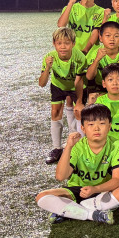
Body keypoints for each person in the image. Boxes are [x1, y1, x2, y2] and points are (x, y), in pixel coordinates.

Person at [34, 104, 119, 225]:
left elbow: (118, 180)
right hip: (78, 190)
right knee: (41, 197)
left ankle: (70, 210)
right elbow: (60, 176)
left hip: (102, 190)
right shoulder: (77, 146)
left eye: (102, 123)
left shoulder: (117, 145)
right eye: (91, 124)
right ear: (83, 128)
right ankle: (92, 214)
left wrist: (95, 189)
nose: (96, 128)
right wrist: (68, 147)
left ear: (109, 126)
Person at [56, 0, 105, 131]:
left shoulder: (100, 11)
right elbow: (61, 25)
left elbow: (95, 34)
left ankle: (86, 131)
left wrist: (84, 51)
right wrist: (71, 3)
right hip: (72, 56)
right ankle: (74, 133)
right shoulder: (71, 8)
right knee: (70, 98)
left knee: (89, 96)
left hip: (90, 56)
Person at [39, 26, 86, 165]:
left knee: (79, 111)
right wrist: (47, 68)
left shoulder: (79, 57)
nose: (63, 46)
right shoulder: (49, 57)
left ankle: (80, 146)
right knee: (55, 112)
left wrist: (79, 102)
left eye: (67, 43)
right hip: (58, 85)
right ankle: (57, 148)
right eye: (59, 43)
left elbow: (79, 81)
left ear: (73, 44)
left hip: (75, 85)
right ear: (54, 44)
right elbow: (42, 83)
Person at [84, 21, 119, 97]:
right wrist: (97, 59)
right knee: (93, 97)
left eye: (116, 36)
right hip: (100, 87)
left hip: (118, 87)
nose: (112, 39)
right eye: (108, 35)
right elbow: (89, 77)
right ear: (101, 38)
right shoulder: (95, 53)